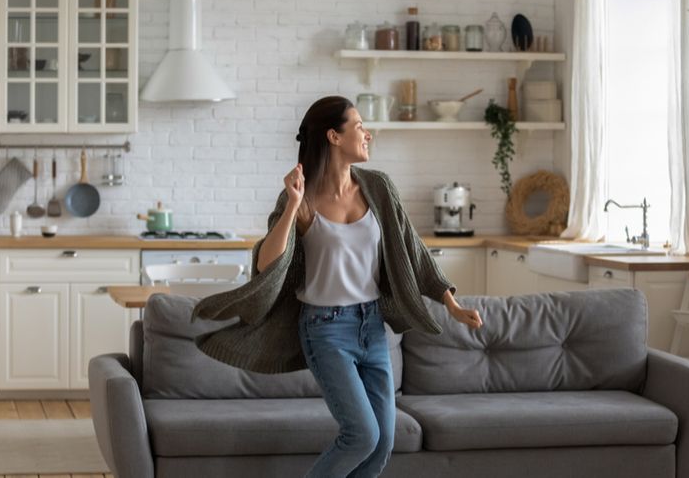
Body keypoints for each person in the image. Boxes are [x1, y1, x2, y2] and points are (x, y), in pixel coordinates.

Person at [190, 95, 483, 478]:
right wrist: (293, 205)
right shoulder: (301, 196)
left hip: (372, 327)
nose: (368, 134)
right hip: (325, 330)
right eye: (359, 126)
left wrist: (451, 303)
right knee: (362, 435)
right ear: (334, 136)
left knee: (382, 444)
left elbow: (413, 250)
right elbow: (266, 263)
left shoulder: (378, 187)